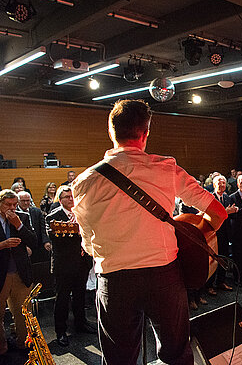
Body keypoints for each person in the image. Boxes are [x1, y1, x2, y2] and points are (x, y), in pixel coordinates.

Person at [72, 99, 227, 365]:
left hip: (114, 279)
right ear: (145, 133)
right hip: (163, 276)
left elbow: (87, 244)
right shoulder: (166, 168)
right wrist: (198, 239)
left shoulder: (85, 182)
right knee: (176, 354)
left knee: (119, 359)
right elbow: (218, 212)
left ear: (111, 132)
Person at [45, 185, 95, 347]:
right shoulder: (53, 217)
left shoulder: (82, 213)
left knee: (80, 296)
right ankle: (61, 331)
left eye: (72, 196)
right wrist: (75, 234)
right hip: (64, 264)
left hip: (82, 262)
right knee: (62, 299)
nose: (71, 199)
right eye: (66, 197)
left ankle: (81, 324)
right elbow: (56, 240)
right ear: (60, 200)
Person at [0, 189, 35, 356]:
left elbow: (34, 241)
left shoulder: (23, 218)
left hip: (20, 273)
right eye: (8, 204)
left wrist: (18, 225)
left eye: (14, 204)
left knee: (23, 312)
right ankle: (2, 347)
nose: (12, 208)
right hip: (2, 273)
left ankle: (24, 343)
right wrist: (2, 245)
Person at [205, 174, 237, 295]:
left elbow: (231, 216)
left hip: (225, 233)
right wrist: (225, 212)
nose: (222, 184)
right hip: (213, 232)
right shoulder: (210, 198)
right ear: (214, 185)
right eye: (219, 182)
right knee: (213, 259)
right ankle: (209, 285)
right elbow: (211, 215)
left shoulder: (228, 198)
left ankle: (221, 281)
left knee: (223, 258)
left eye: (224, 183)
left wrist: (233, 211)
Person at [17, 191, 49, 263]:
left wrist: (46, 241)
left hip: (38, 243)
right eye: (23, 201)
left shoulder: (36, 211)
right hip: (25, 245)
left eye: (27, 201)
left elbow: (42, 228)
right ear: (18, 201)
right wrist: (24, 247)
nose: (26, 203)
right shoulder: (15, 214)